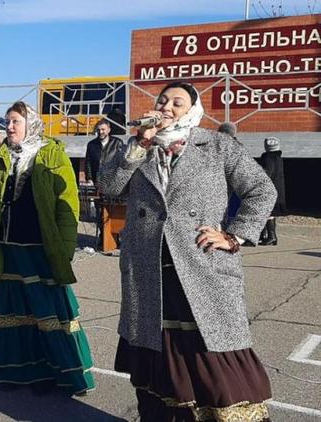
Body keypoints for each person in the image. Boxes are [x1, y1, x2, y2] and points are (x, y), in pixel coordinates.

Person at [98, 81, 276, 421]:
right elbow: (109, 187)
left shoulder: (217, 145)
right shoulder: (139, 148)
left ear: (192, 110)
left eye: (177, 103)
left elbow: (261, 190)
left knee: (216, 362)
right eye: (162, 100)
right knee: (160, 361)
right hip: (148, 271)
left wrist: (235, 236)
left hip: (202, 267)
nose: (166, 107)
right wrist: (138, 144)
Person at [0, 101, 95, 395]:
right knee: (15, 314)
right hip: (8, 247)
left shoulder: (51, 153)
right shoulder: (0, 155)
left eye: (15, 121)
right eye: (7, 122)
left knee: (49, 313)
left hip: (40, 248)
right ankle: (22, 372)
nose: (9, 127)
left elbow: (68, 205)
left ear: (31, 125)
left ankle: (65, 373)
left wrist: (65, 248)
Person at [258, 137, 286, 246]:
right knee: (269, 211)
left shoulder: (268, 158)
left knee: (267, 211)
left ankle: (271, 236)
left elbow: (267, 173)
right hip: (278, 188)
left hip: (269, 189)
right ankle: (266, 235)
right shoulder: (279, 158)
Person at [84, 119, 124, 185]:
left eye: (103, 129)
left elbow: (121, 163)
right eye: (98, 130)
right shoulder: (91, 144)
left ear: (109, 130)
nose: (100, 132)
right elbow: (88, 163)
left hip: (112, 181)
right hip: (97, 180)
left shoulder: (117, 143)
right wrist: (89, 178)